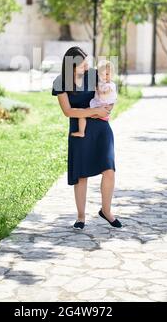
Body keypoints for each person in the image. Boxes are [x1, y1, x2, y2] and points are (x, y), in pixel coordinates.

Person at [51, 46, 122, 230]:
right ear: (71, 66)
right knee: (81, 175)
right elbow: (68, 111)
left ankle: (106, 211)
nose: (87, 66)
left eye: (87, 62)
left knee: (109, 170)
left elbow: (108, 93)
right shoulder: (60, 82)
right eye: (83, 64)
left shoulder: (93, 75)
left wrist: (105, 110)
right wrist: (93, 111)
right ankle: (81, 217)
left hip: (101, 128)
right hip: (79, 130)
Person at [71, 60, 117, 137]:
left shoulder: (110, 86)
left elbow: (104, 96)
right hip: (99, 105)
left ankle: (81, 132)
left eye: (107, 74)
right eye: (101, 74)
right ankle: (81, 131)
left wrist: (98, 90)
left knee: (82, 114)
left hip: (100, 105)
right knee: (83, 114)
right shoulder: (103, 83)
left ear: (112, 74)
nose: (104, 76)